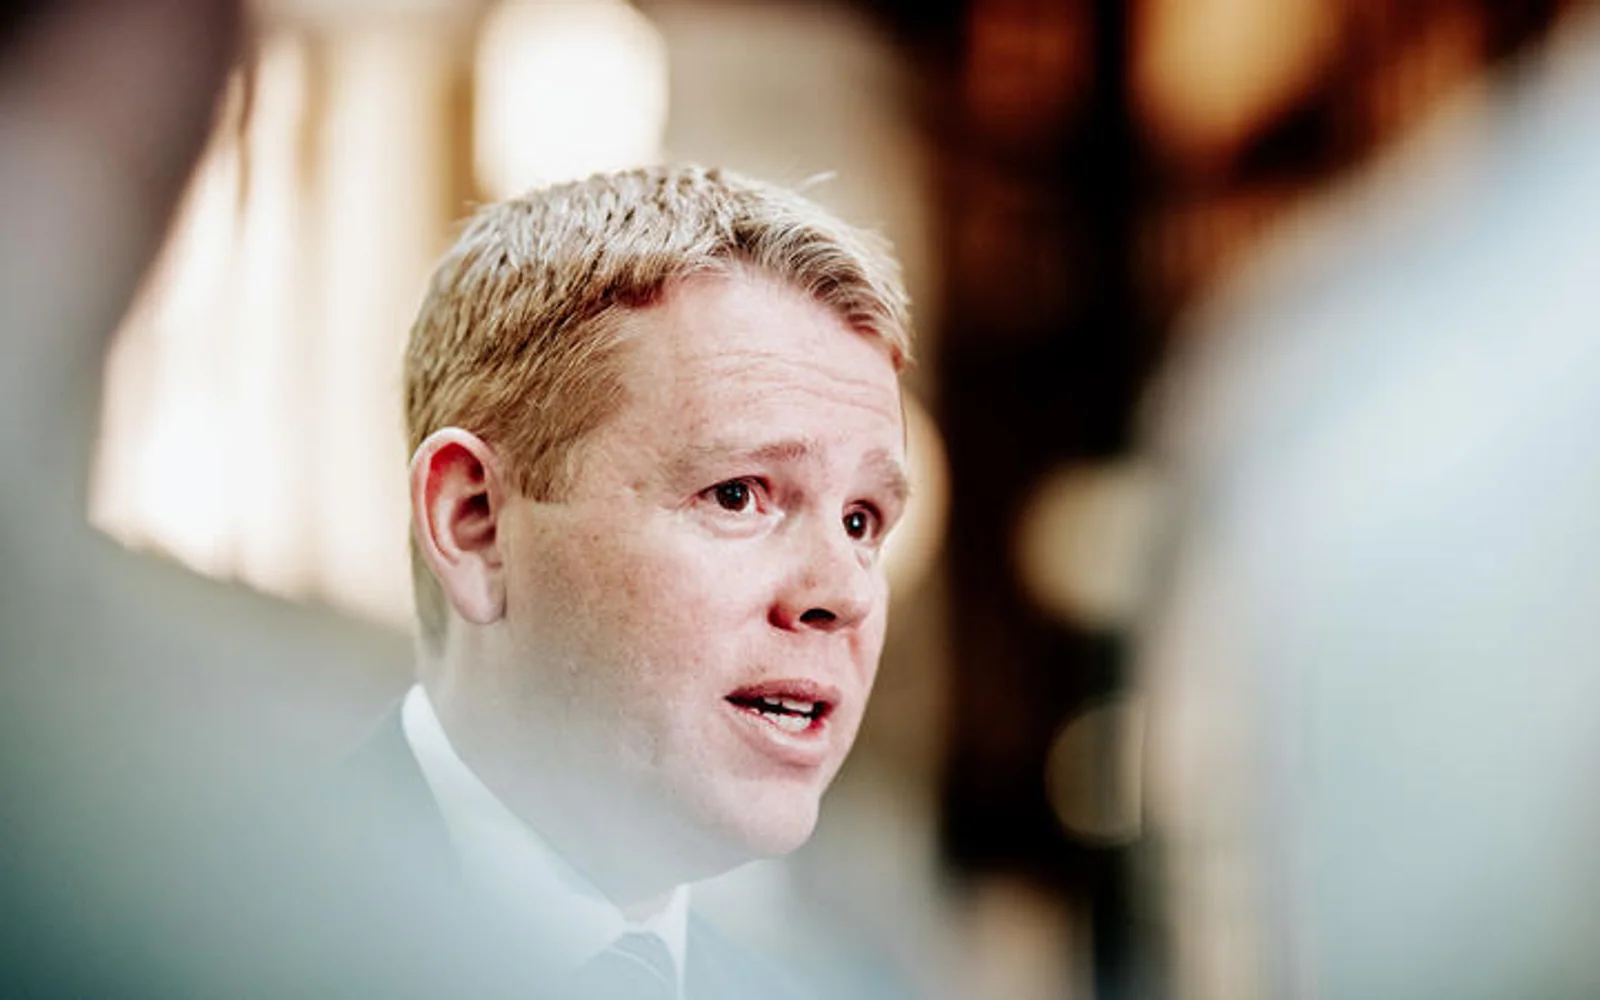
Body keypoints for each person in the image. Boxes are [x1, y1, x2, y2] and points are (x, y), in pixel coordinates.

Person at [356, 164, 915, 999]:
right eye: (738, 494)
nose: (846, 593)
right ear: (475, 524)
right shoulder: (201, 936)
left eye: (862, 521)